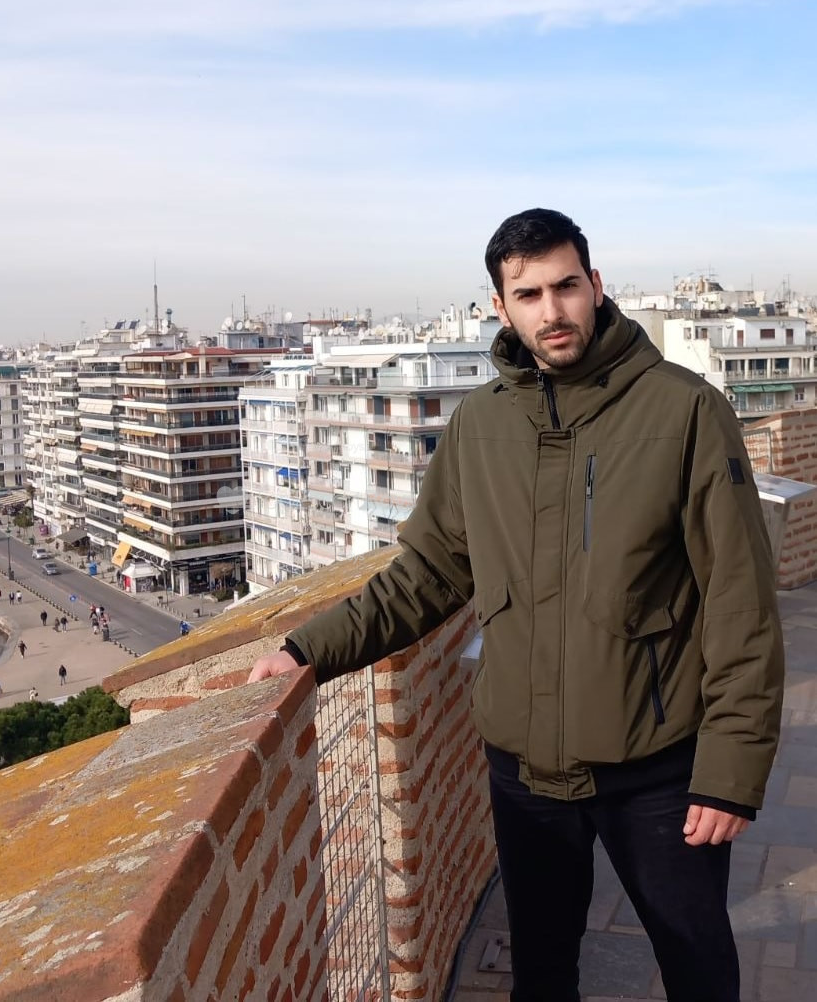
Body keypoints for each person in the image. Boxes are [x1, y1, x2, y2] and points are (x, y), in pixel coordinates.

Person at [248, 208, 785, 1002]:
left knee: (695, 960)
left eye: (566, 286)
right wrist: (307, 650)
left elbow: (741, 603)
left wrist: (730, 774)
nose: (552, 310)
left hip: (659, 767)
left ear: (595, 285)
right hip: (525, 772)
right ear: (499, 307)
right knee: (540, 968)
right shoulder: (479, 425)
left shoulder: (684, 411)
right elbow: (428, 573)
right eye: (528, 294)